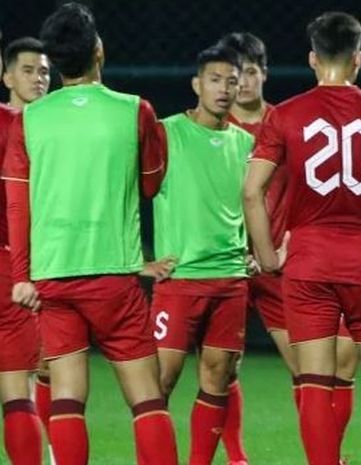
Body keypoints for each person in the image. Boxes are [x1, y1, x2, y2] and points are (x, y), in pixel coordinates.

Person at [244, 11, 361, 465]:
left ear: (313, 58)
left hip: (307, 261)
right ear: (358, 60)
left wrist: (269, 258)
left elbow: (252, 191)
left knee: (314, 383)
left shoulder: (285, 115)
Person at [2, 3, 178, 464]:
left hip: (54, 276)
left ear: (55, 62)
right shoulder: (135, 110)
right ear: (98, 50)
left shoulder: (29, 121)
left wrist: (22, 275)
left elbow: (16, 204)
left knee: (66, 397)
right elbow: (152, 181)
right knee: (146, 399)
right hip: (114, 277)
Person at [217, 31, 359, 459]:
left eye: (251, 72)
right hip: (226, 263)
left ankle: (326, 453)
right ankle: (237, 457)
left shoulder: (290, 121)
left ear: (265, 74)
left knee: (316, 368)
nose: (242, 82)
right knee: (221, 366)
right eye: (234, 74)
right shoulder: (210, 128)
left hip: (280, 266)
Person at [150, 45, 252, 465]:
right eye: (215, 79)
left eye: (232, 81)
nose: (225, 89)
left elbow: (258, 204)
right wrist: (136, 259)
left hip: (230, 280)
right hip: (179, 280)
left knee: (217, 377)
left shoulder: (246, 143)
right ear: (197, 84)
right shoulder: (166, 133)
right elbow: (126, 190)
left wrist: (259, 251)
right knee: (159, 382)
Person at [0, 29, 43, 465]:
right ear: (6, 75)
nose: (38, 78)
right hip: (17, 266)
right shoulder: (46, 130)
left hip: (16, 266)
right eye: (28, 70)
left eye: (44, 71)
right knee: (19, 389)